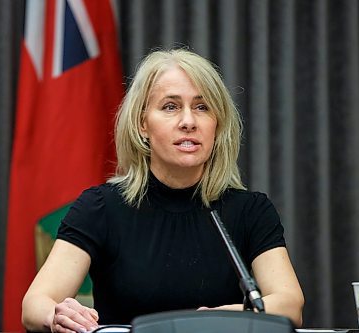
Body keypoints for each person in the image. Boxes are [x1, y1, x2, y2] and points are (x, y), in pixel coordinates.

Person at [22, 49, 304, 332]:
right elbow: (35, 304)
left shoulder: (250, 211)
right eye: (170, 106)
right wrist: (56, 314)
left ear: (217, 125)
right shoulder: (101, 207)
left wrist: (223, 318)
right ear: (142, 123)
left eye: (202, 107)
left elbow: (290, 305)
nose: (188, 121)